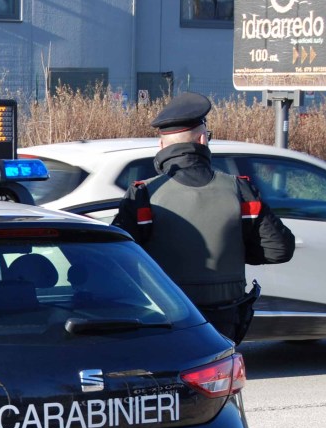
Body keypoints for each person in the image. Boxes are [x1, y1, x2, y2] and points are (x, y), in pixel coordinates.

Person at [113, 91, 295, 343]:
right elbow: (279, 250)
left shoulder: (143, 194)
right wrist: (235, 250)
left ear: (161, 146)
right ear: (202, 139)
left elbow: (120, 260)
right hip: (225, 319)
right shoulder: (239, 189)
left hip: (166, 319)